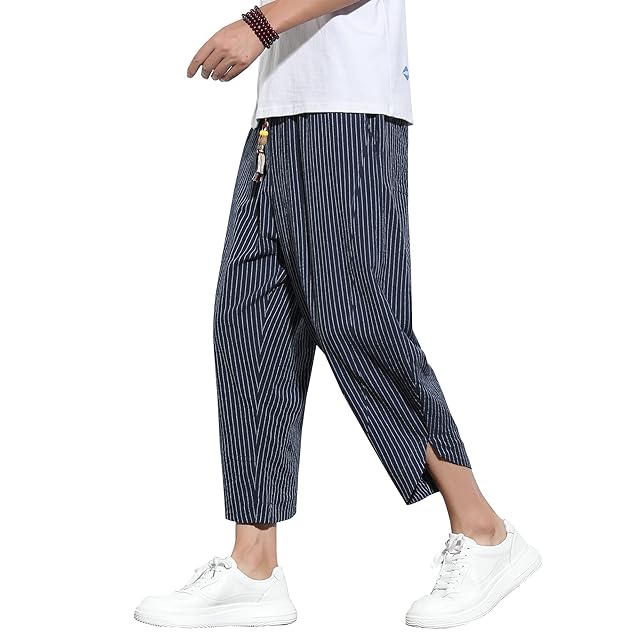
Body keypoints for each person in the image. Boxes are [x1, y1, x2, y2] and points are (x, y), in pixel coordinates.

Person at [134, 0, 541, 629]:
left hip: (350, 115)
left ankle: (484, 531)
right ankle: (253, 566)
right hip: (276, 122)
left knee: (357, 320)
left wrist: (259, 25)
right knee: (249, 325)